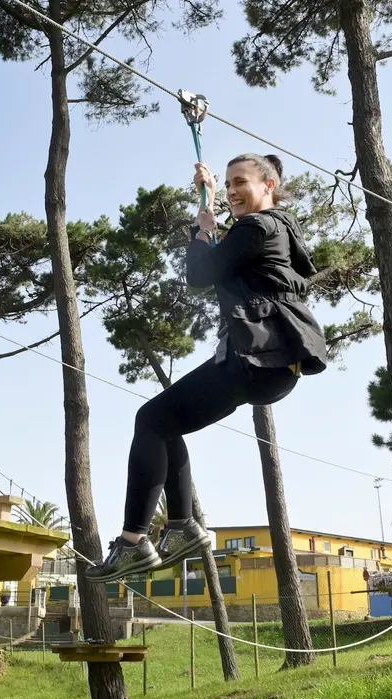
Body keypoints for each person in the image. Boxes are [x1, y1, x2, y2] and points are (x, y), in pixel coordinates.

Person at [87, 152, 328, 583]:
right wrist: (212, 201)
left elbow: (199, 274)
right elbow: (234, 267)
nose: (234, 191)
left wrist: (202, 229)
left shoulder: (257, 227)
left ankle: (134, 541)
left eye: (242, 183)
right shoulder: (280, 230)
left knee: (151, 419)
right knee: (163, 422)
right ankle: (180, 528)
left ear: (268, 185)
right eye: (229, 184)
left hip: (255, 358)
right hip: (274, 364)